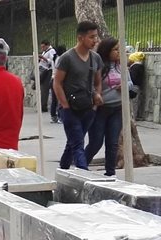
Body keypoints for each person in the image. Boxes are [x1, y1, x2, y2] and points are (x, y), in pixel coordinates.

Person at [53, 22, 103, 170]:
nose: (95, 40)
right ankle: (83, 173)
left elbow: (98, 82)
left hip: (88, 108)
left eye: (96, 36)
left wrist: (97, 97)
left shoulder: (96, 58)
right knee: (78, 144)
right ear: (80, 38)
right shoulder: (67, 58)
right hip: (70, 108)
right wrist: (65, 106)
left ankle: (63, 170)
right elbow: (57, 83)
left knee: (73, 142)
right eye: (91, 37)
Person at [86, 36, 135, 177]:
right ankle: (81, 165)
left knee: (113, 142)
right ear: (107, 51)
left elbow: (131, 82)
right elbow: (91, 85)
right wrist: (97, 95)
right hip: (101, 109)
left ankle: (110, 173)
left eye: (120, 49)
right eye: (115, 50)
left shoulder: (122, 66)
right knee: (96, 142)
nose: (119, 52)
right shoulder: (98, 66)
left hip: (117, 108)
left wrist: (125, 85)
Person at [39, 40, 56, 115]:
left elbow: (52, 61)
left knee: (44, 88)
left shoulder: (51, 51)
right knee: (42, 88)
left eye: (43, 47)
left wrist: (43, 58)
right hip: (43, 70)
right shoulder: (45, 51)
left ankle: (44, 106)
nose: (42, 48)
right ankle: (42, 105)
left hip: (48, 71)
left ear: (47, 45)